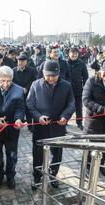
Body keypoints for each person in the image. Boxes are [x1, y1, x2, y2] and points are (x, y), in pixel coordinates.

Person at [27, 60, 75, 189]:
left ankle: (53, 175)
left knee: (57, 153)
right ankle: (37, 176)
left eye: (53, 75)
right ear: (43, 73)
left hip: (58, 126)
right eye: (48, 75)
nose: (51, 78)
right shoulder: (35, 85)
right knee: (38, 154)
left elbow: (71, 104)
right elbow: (30, 104)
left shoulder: (66, 86)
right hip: (40, 127)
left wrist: (65, 116)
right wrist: (38, 116)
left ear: (58, 74)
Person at [0, 66, 25, 189]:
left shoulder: (18, 90)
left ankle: (10, 176)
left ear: (12, 79)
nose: (6, 84)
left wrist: (18, 119)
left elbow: (20, 108)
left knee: (12, 156)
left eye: (9, 81)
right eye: (2, 81)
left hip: (12, 130)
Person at [12, 53, 37, 132]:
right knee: (17, 108)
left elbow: (33, 80)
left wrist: (26, 88)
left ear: (26, 62)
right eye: (19, 61)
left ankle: (30, 126)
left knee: (28, 109)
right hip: (17, 93)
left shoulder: (31, 70)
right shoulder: (13, 71)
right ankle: (18, 123)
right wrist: (19, 89)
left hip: (28, 93)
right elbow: (12, 82)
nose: (21, 62)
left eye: (23, 61)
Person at [67, 47, 89, 130]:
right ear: (69, 54)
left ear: (78, 54)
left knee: (78, 107)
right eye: (72, 53)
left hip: (78, 89)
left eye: (75, 53)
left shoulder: (81, 63)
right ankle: (65, 120)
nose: (74, 55)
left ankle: (79, 122)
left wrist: (85, 88)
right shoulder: (65, 63)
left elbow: (85, 76)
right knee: (66, 106)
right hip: (67, 90)